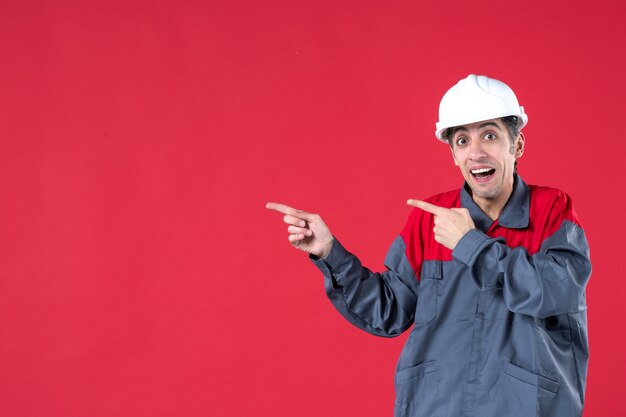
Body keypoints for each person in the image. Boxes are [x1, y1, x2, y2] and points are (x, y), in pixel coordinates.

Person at [266, 74, 591, 417]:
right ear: (453, 153)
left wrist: (470, 244)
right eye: (463, 141)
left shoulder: (553, 209)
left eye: (490, 136)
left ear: (517, 145)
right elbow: (389, 311)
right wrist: (330, 252)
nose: (476, 152)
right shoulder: (430, 219)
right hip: (436, 406)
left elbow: (556, 291)